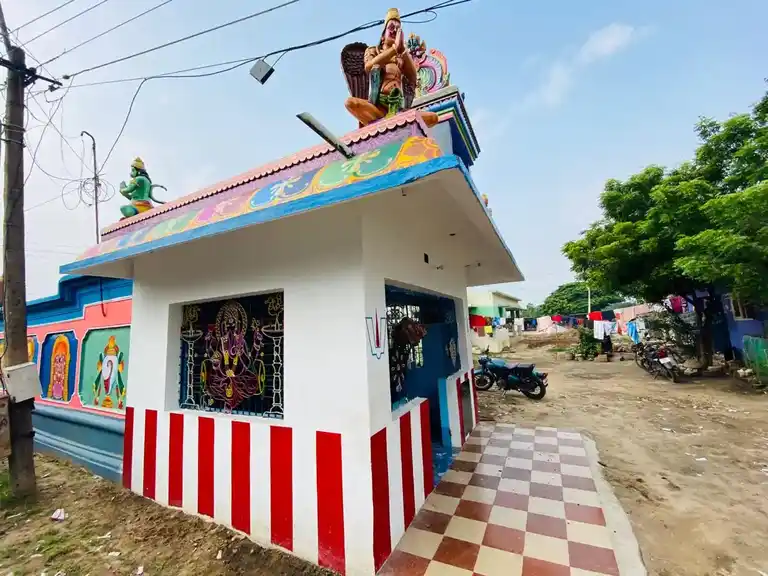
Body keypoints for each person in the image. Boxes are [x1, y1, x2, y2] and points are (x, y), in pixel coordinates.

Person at [344, 8, 439, 127]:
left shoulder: (402, 57)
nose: (395, 31)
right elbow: (369, 66)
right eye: (391, 27)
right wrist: (393, 50)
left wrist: (402, 51)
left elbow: (413, 77)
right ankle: (384, 122)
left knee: (433, 118)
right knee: (351, 103)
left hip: (398, 109)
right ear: (383, 36)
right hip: (378, 108)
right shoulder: (373, 50)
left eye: (398, 29)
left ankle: (395, 121)